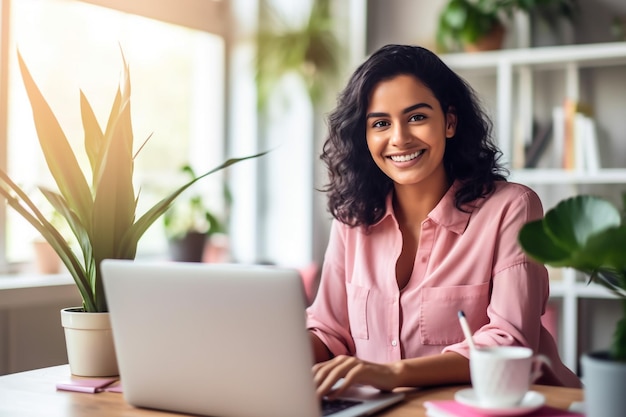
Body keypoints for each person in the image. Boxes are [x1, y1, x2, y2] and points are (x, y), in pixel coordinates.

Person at [306, 44, 582, 398]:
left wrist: (394, 373)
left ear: (449, 121)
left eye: (417, 117)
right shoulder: (352, 220)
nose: (399, 138)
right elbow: (329, 330)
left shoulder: (512, 208)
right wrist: (275, 353)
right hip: (388, 410)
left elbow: (509, 340)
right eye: (380, 123)